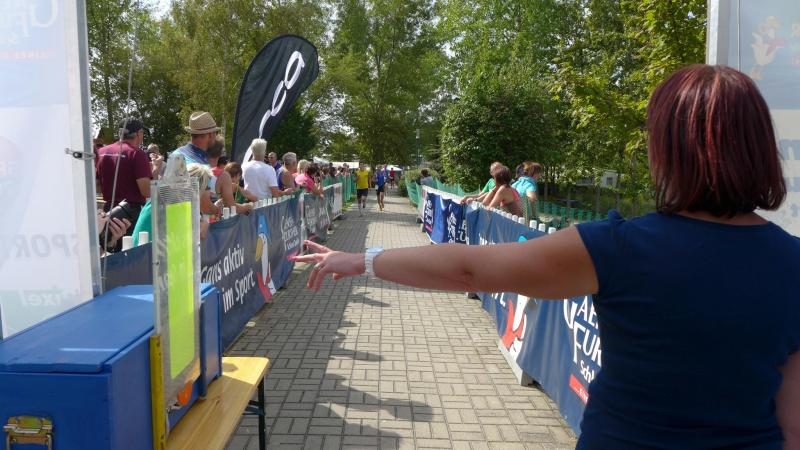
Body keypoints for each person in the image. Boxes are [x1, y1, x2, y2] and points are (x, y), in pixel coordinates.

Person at [290, 65, 800, 449]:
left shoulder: (619, 246)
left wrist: (362, 260)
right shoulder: (791, 262)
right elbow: (792, 422)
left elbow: (470, 268)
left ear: (669, 151)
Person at [95, 117, 151, 238]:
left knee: (109, 246)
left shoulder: (101, 152)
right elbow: (146, 191)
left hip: (108, 210)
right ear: (138, 134)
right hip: (130, 215)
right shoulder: (136, 153)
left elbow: (97, 186)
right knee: (130, 248)